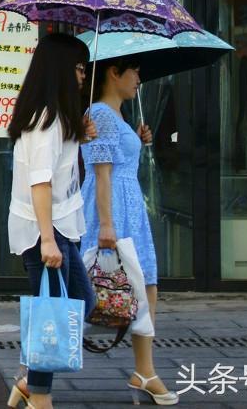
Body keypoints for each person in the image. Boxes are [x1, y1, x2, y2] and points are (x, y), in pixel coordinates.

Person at [80, 57, 177, 406]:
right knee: (86, 291)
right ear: (114, 72)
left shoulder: (115, 114)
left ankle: (145, 370)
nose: (139, 78)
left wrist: (135, 140)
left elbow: (116, 161)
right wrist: (107, 224)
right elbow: (101, 171)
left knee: (145, 285)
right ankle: (33, 373)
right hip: (114, 208)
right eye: (134, 70)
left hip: (127, 206)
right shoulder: (102, 113)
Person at [7, 33, 96, 409]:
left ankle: (30, 382)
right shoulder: (47, 120)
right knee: (58, 312)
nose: (83, 76)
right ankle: (39, 396)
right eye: (78, 68)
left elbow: (56, 173)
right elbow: (40, 183)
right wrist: (47, 240)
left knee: (75, 304)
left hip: (59, 226)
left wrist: (80, 136)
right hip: (48, 229)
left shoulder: (56, 117)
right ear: (59, 69)